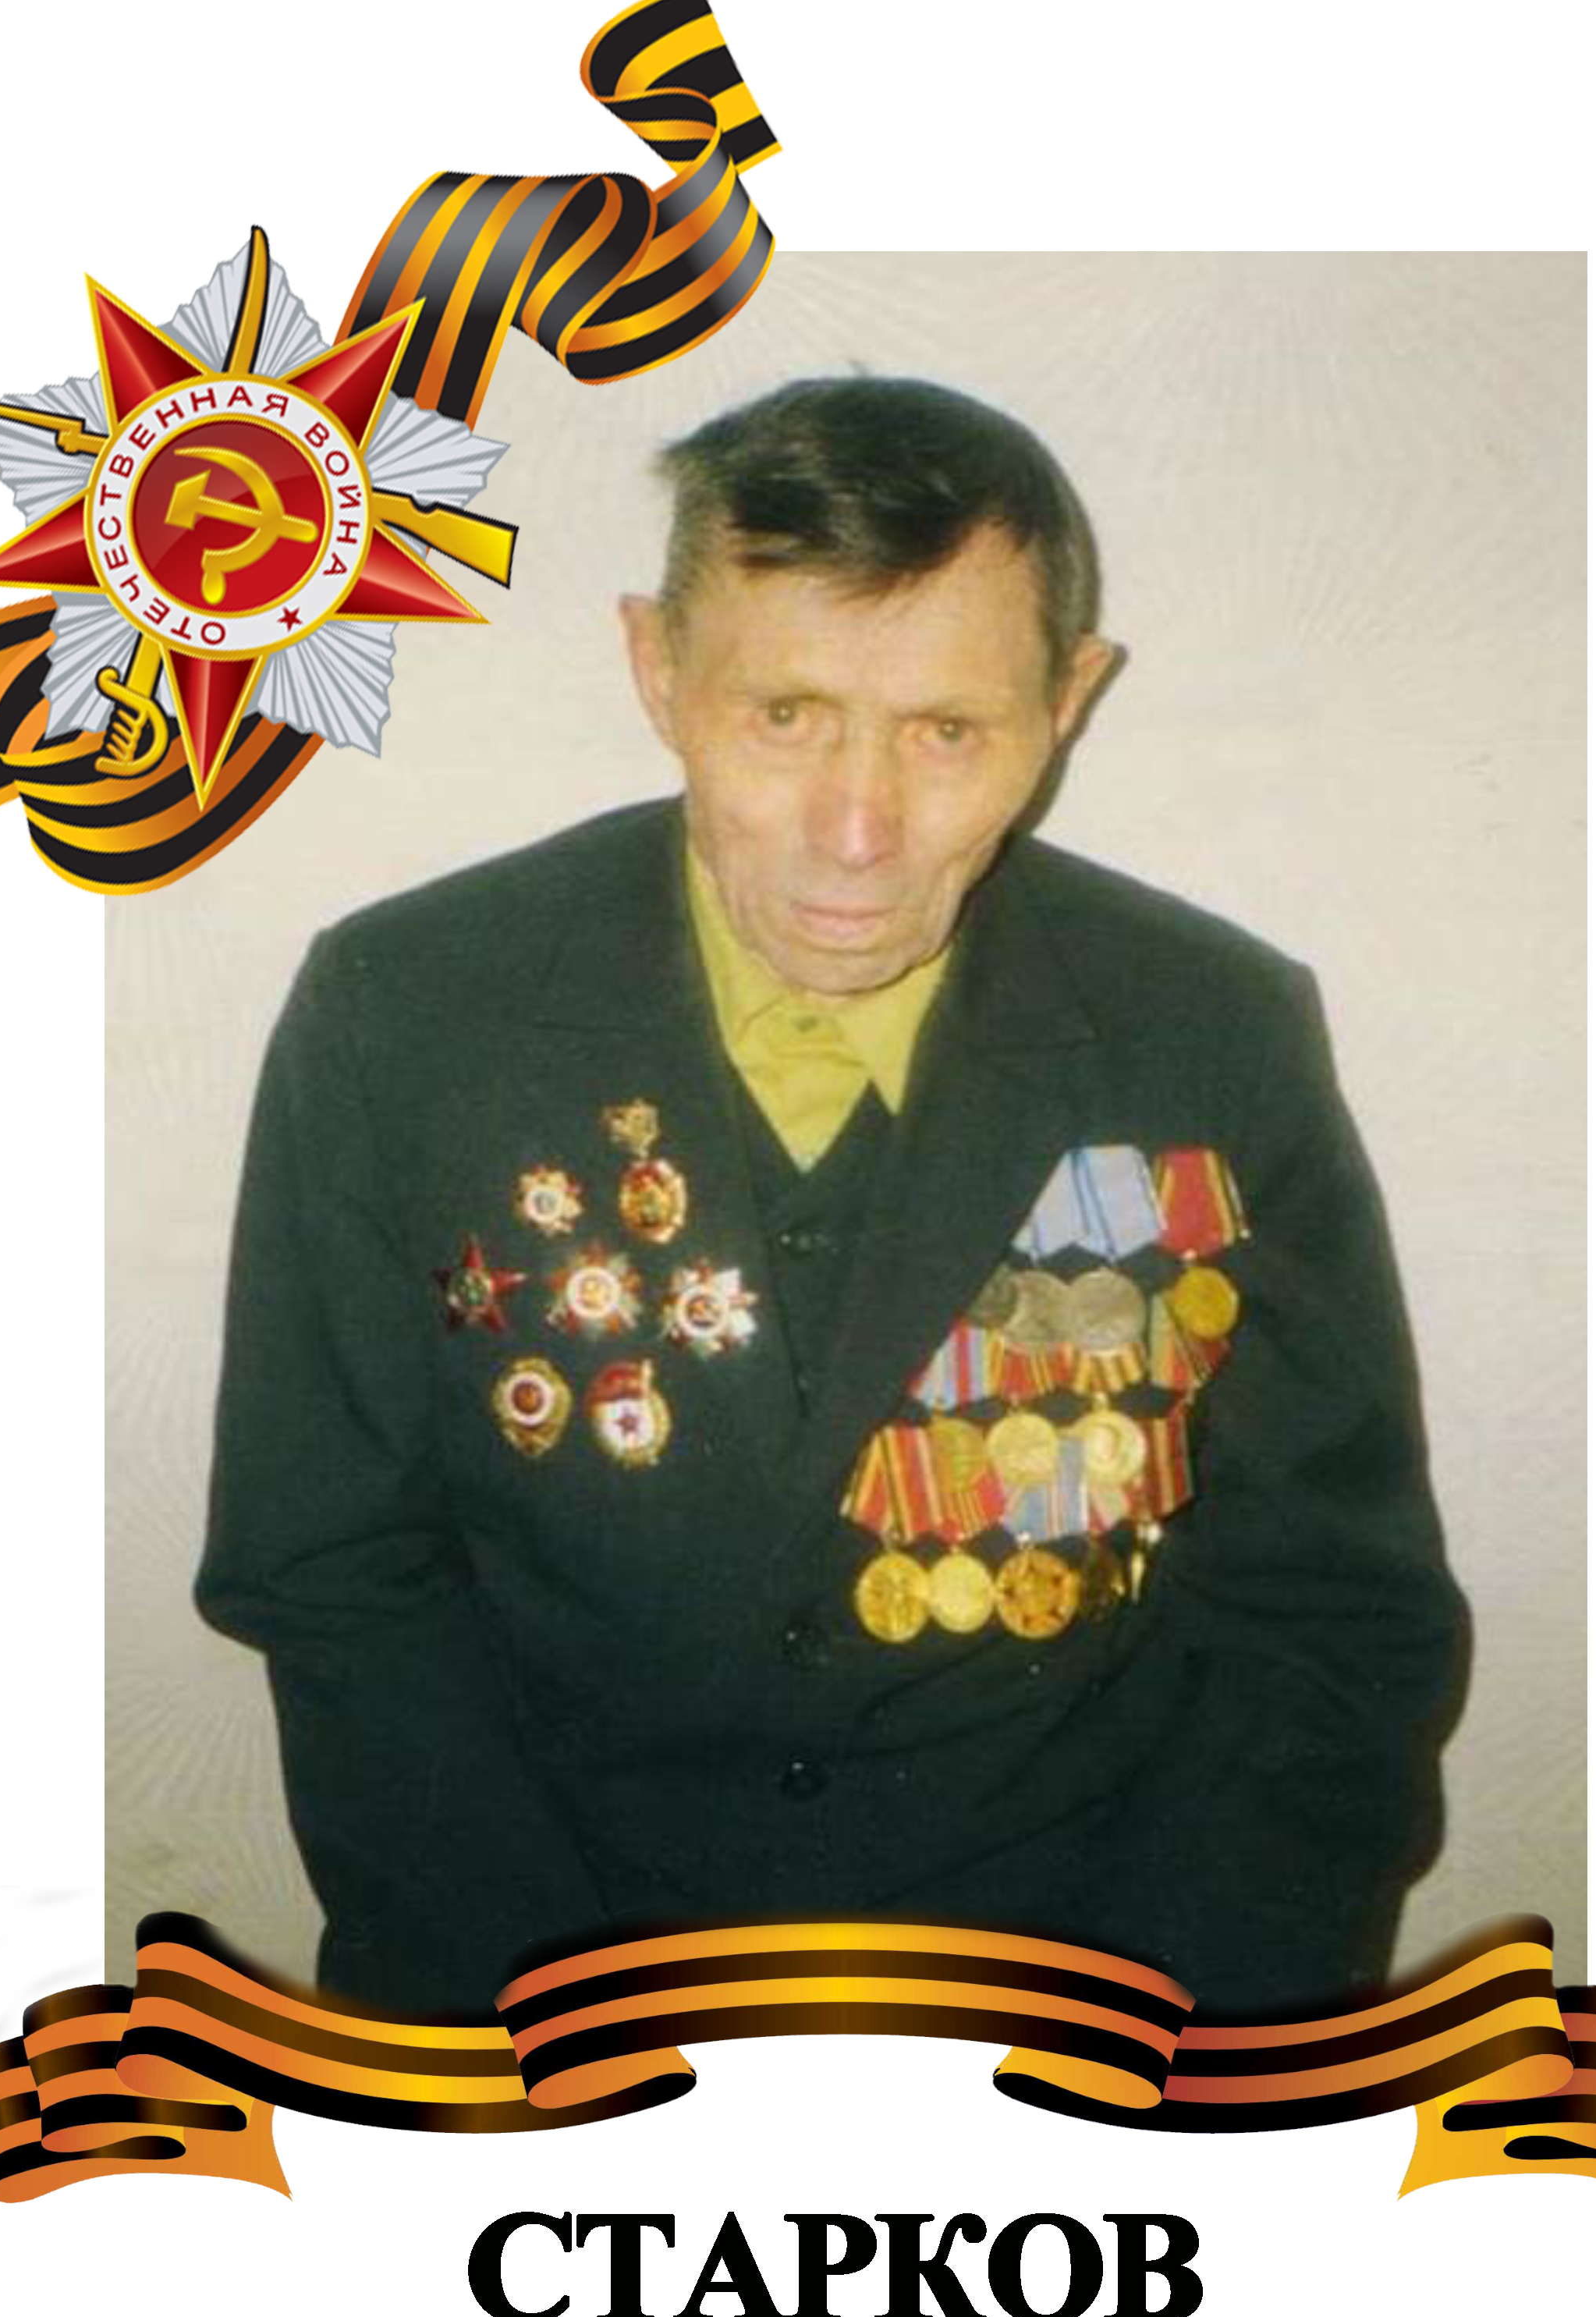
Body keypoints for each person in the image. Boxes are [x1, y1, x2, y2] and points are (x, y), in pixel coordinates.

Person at [195, 375, 1467, 2021]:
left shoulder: (1214, 1031)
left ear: (1068, 701)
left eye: (948, 733)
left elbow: (1328, 1617)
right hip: (544, 1981)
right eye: (785, 715)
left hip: (1082, 1986)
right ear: (658, 669)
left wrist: (1154, 2056)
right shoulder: (403, 1012)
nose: (857, 831)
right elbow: (336, 1575)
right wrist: (552, 2043)